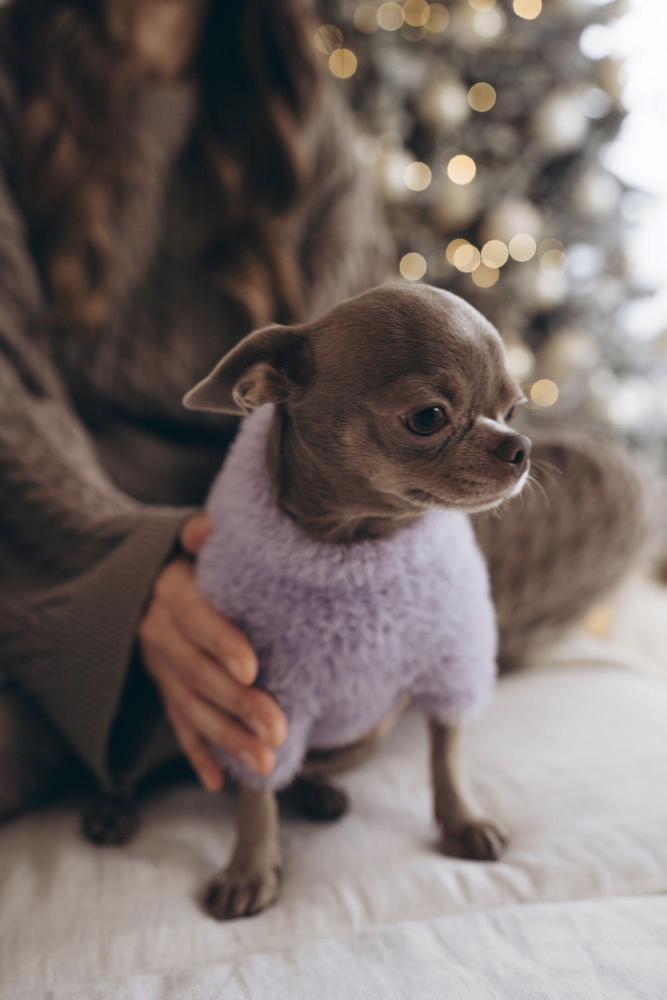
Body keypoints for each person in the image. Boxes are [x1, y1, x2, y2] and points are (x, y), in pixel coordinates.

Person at [0, 0, 646, 822]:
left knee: (605, 493)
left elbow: (372, 378)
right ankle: (199, 691)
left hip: (293, 510)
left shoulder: (292, 92)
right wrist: (135, 581)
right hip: (73, 513)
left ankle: (158, 701)